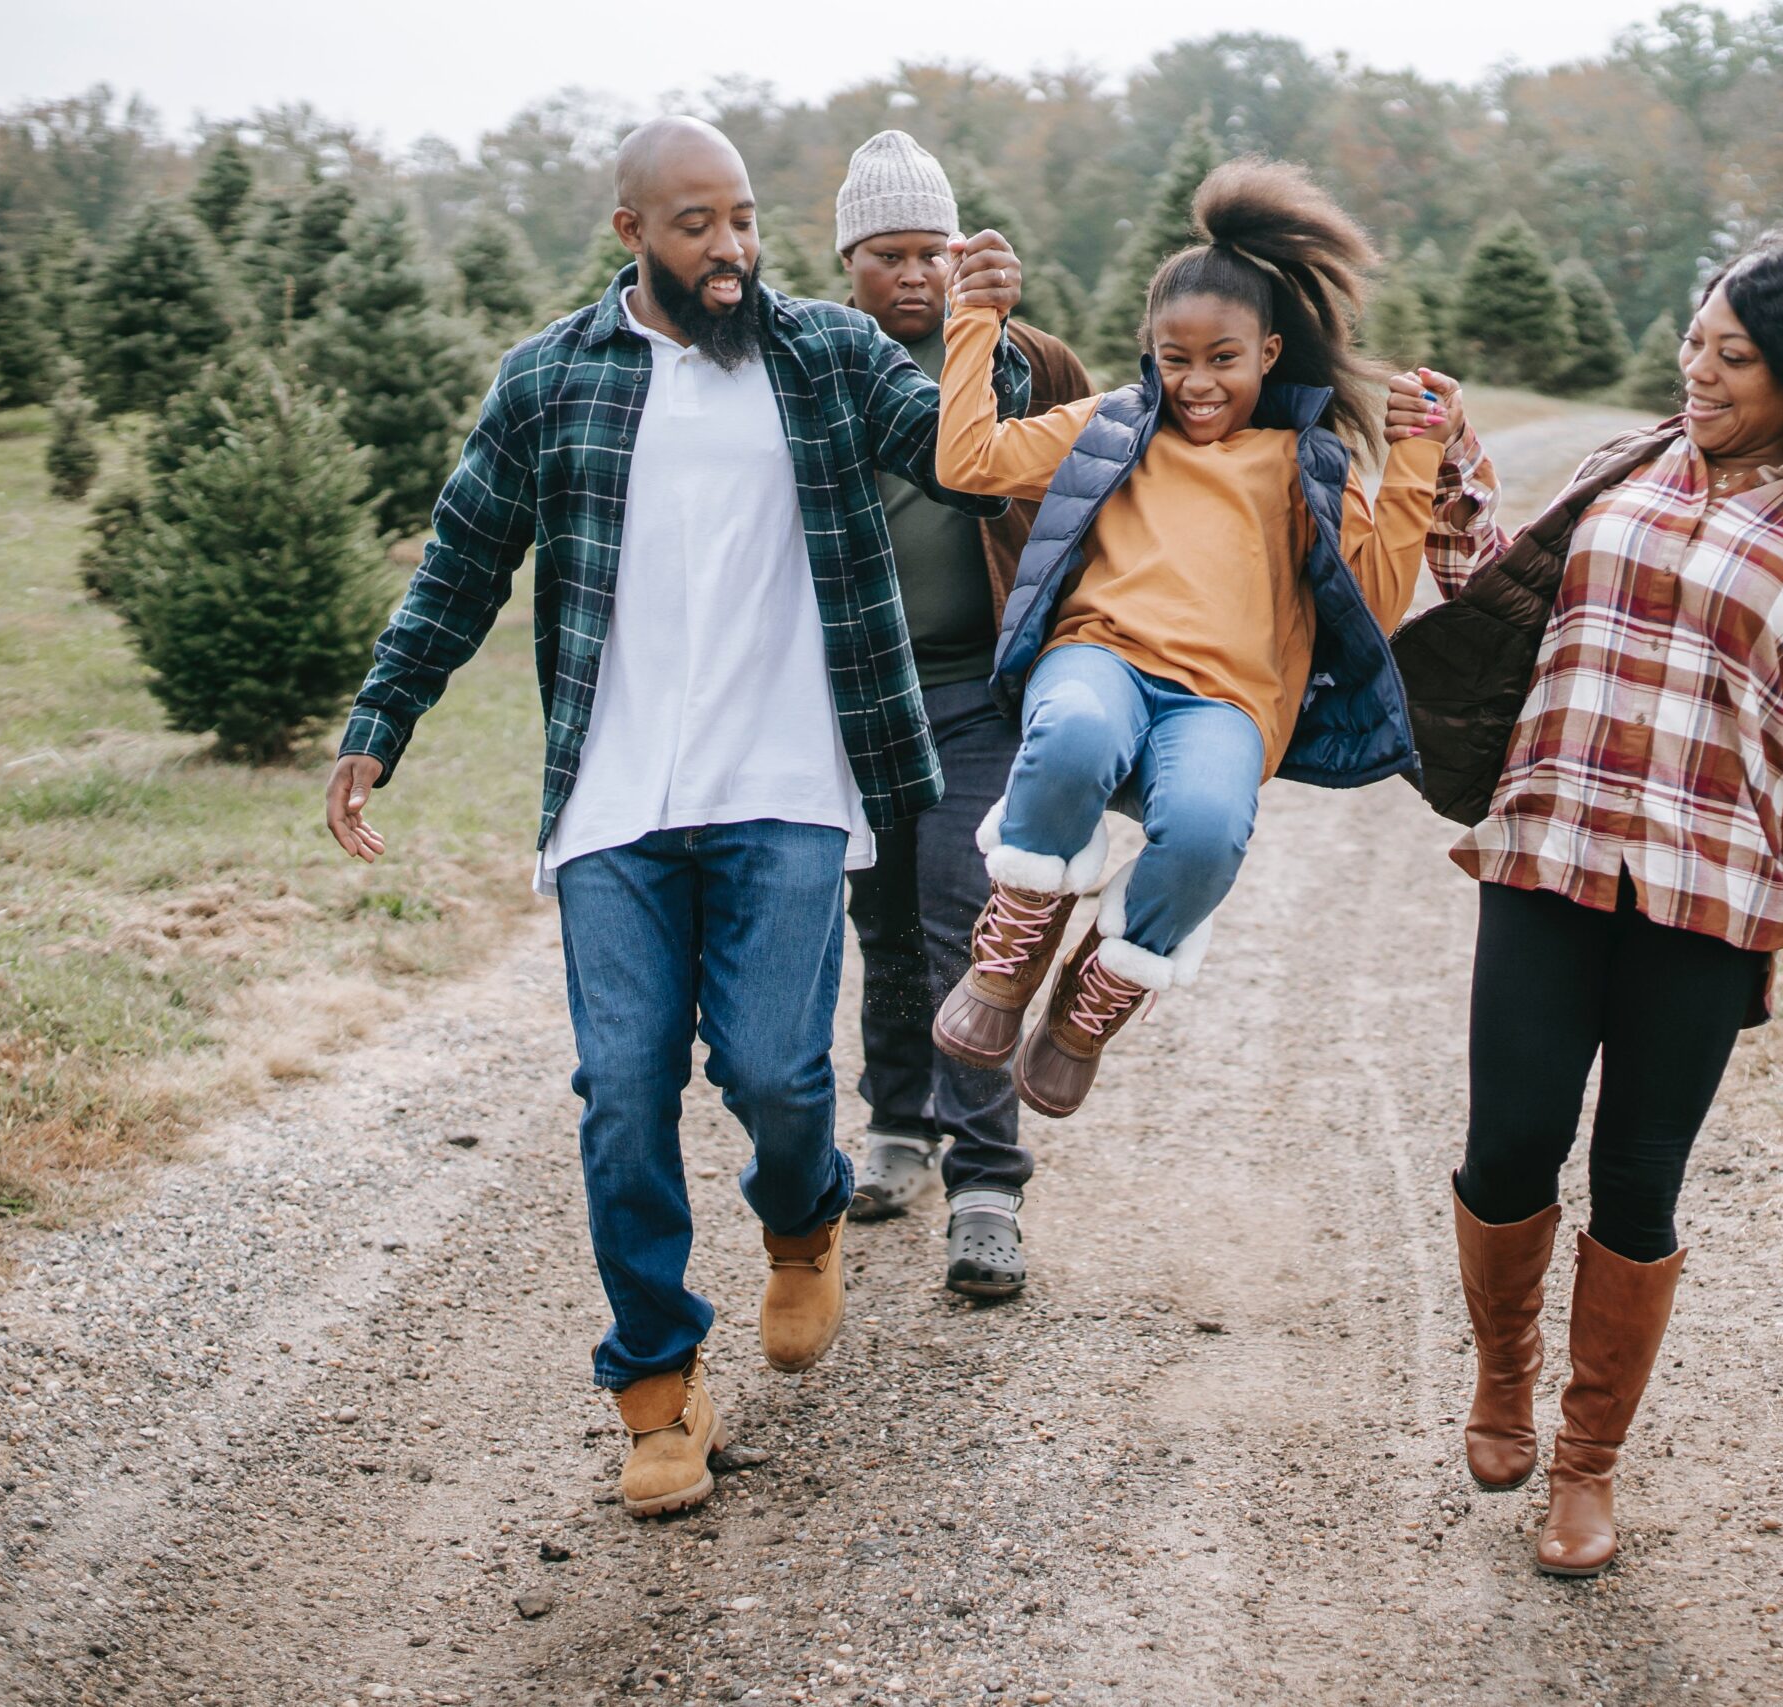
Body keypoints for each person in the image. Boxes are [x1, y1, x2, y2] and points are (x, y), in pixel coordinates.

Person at [320, 116, 1031, 1520]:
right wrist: (378, 721)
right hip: (616, 802)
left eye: (746, 219)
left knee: (775, 1072)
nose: (732, 248)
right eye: (698, 223)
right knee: (624, 1095)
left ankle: (802, 1211)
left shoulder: (822, 353)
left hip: (782, 786)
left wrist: (982, 332)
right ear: (631, 230)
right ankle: (655, 1386)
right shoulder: (550, 379)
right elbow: (463, 558)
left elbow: (967, 458)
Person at [1390, 231, 1783, 1578]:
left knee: (1636, 1179)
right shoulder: (1628, 463)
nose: (1700, 368)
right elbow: (1511, 599)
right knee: (1508, 1146)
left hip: (1711, 896)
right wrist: (1452, 495)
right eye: (1694, 340)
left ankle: (1587, 1463)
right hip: (1550, 851)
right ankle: (1504, 1372)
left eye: (1734, 354)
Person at [926, 160, 1455, 1118]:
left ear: (1269, 352)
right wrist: (975, 322)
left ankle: (1096, 994)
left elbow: (1374, 608)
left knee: (1211, 831)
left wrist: (1414, 457)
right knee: (1077, 733)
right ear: (1149, 351)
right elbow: (967, 462)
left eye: (1225, 358)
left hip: (1225, 705)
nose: (1198, 382)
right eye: (1176, 357)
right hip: (1102, 660)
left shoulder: (1305, 462)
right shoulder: (1110, 429)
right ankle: (1012, 947)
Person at [825, 132, 1093, 1299]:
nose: (916, 276)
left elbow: (1106, 487)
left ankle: (986, 1186)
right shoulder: (820, 363)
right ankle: (896, 1125)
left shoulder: (1024, 358)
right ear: (849, 262)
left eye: (933, 251)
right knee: (879, 921)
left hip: (981, 697)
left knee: (965, 924)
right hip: (854, 700)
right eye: (889, 255)